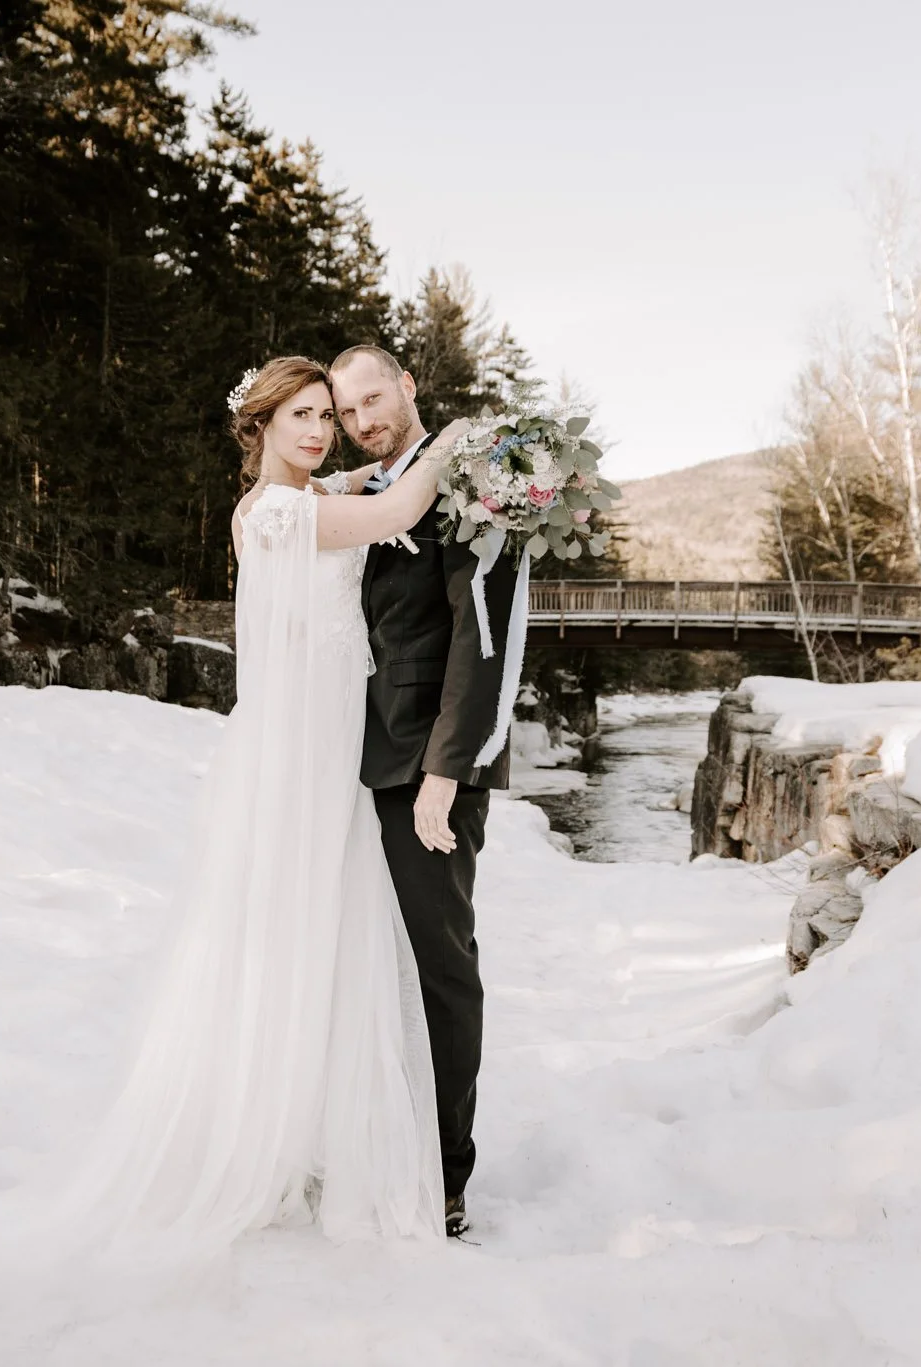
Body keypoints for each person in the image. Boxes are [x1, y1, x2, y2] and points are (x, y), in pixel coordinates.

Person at [38, 356, 472, 1254]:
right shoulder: (277, 513)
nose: (320, 431)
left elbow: (358, 485)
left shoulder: (301, 500)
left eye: (328, 415)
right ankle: (265, 1141)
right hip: (300, 754)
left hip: (329, 749)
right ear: (261, 430)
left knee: (327, 940)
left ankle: (312, 1132)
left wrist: (371, 465)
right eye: (301, 418)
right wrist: (462, 446)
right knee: (288, 938)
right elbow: (390, 511)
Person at [327, 344, 516, 1240]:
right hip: (345, 758)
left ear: (408, 385)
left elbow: (482, 636)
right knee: (365, 967)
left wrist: (450, 769)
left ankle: (443, 1173)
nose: (364, 418)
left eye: (374, 397)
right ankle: (370, 1144)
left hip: (421, 770)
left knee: (440, 968)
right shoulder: (366, 491)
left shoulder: (473, 479)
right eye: (347, 409)